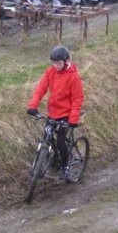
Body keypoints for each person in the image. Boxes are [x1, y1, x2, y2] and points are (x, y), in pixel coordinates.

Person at [26, 45, 84, 181]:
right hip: (53, 112)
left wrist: (73, 119)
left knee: (60, 142)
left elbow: (77, 99)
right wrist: (32, 106)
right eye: (53, 63)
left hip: (66, 114)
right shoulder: (50, 72)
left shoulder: (73, 77)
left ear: (65, 61)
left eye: (58, 63)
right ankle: (48, 161)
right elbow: (40, 89)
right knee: (47, 137)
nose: (55, 65)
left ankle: (65, 167)